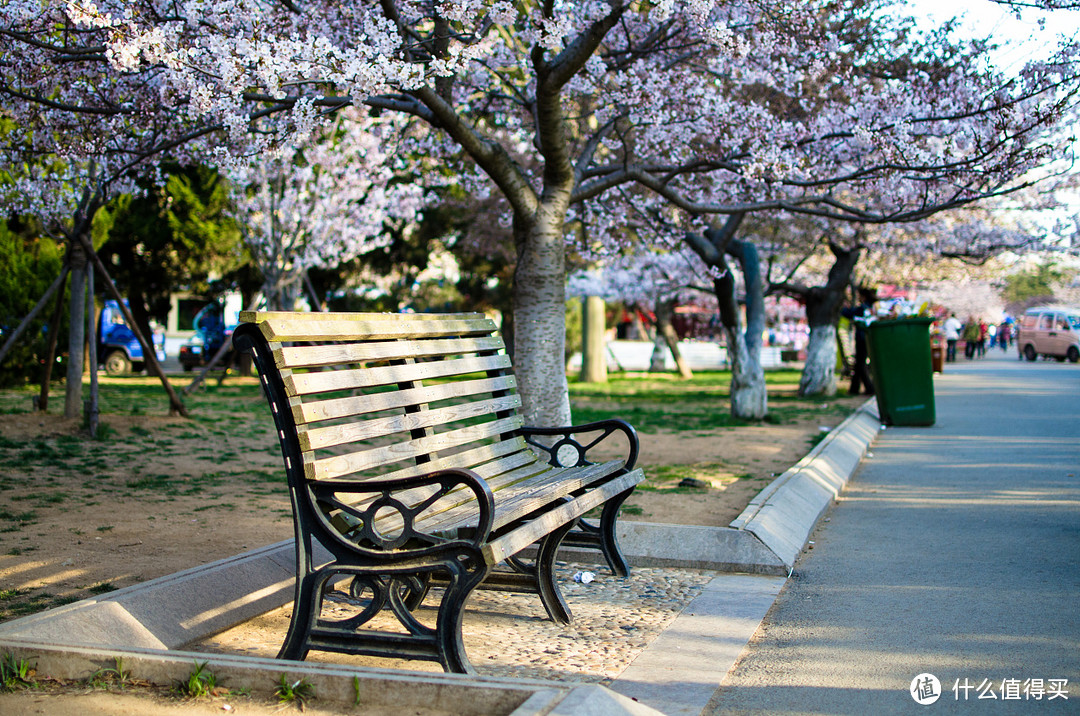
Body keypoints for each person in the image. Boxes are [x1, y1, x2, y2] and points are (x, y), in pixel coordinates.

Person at [841, 287, 877, 395]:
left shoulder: (864, 308)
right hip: (867, 338)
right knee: (859, 364)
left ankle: (869, 388)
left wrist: (842, 308)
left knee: (860, 363)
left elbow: (850, 313)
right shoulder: (872, 307)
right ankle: (854, 388)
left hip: (862, 338)